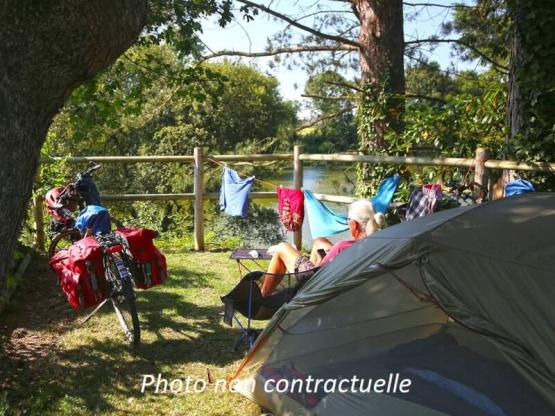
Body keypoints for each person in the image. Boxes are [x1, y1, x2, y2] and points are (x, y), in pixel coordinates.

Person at [260, 200, 385, 296]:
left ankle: (263, 297)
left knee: (282, 248)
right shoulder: (379, 245)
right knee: (320, 242)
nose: (347, 222)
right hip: (345, 278)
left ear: (354, 224)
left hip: (316, 284)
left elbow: (318, 272)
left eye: (348, 220)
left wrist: (296, 253)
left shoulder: (343, 247)